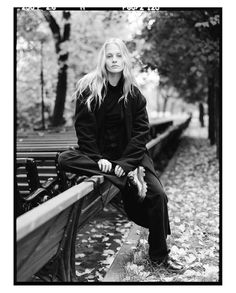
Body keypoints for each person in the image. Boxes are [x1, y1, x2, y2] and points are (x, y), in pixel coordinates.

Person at [58, 38, 183, 272]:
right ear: (103, 59)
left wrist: (126, 164)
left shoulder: (134, 94)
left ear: (125, 59)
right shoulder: (88, 88)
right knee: (65, 158)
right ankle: (123, 180)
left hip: (131, 159)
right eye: (109, 56)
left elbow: (140, 133)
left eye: (118, 56)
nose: (114, 60)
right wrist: (98, 159)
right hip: (101, 158)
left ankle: (159, 256)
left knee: (158, 195)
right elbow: (83, 131)